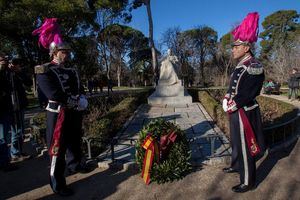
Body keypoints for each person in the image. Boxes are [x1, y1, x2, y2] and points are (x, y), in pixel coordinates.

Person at [33, 18, 89, 196]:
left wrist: (82, 98)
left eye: (67, 51)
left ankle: (75, 166)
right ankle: (58, 184)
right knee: (57, 149)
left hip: (74, 113)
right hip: (58, 114)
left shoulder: (72, 71)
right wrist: (74, 101)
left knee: (74, 141)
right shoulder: (45, 70)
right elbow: (53, 94)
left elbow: (79, 88)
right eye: (63, 51)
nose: (67, 54)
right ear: (54, 52)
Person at [222, 12, 265, 193]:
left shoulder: (253, 65)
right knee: (236, 142)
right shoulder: (241, 64)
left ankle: (248, 181)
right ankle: (236, 164)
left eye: (236, 46)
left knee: (246, 145)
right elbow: (234, 88)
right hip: (236, 109)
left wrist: (234, 103)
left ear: (246, 47)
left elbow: (249, 92)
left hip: (245, 110)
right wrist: (226, 97)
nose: (233, 49)